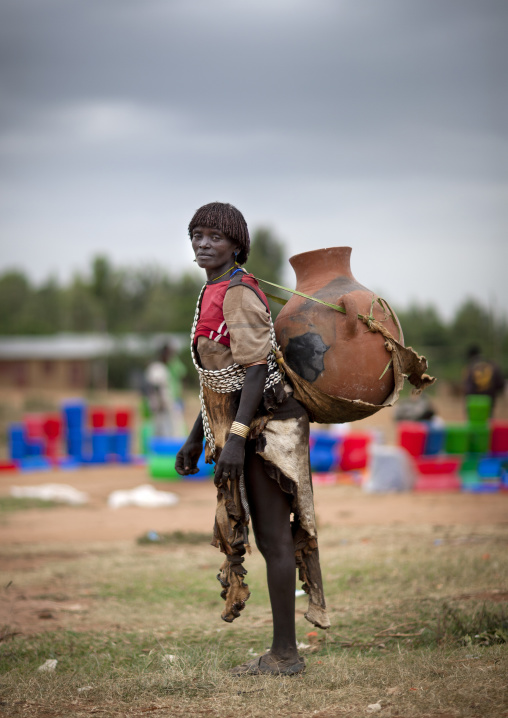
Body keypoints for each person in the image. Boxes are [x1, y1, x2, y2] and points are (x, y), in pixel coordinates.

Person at [175, 202, 329, 676]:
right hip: (243, 425)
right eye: (197, 234)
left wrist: (237, 438)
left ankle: (286, 655)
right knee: (269, 538)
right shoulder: (211, 290)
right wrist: (195, 439)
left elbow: (257, 368)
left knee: (274, 540)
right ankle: (283, 651)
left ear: (236, 244)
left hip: (268, 428)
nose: (204, 243)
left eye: (214, 236)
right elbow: (216, 378)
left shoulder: (238, 292)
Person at [144, 344, 178, 437]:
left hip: (164, 403)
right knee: (160, 428)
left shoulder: (163, 367)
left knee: (168, 427)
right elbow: (155, 386)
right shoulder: (157, 367)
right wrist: (161, 403)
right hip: (160, 404)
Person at [463, 344, 505, 416]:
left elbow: (467, 388)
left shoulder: (470, 367)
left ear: (470, 355)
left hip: (474, 403)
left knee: (475, 424)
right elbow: (501, 384)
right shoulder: (492, 364)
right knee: (487, 424)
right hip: (489, 402)